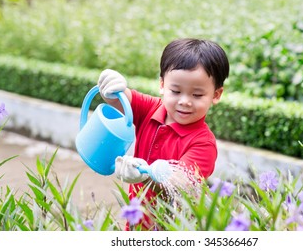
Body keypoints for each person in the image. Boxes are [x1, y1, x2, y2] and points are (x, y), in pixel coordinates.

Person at [97, 38, 230, 229]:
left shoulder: (203, 143)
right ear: (162, 85)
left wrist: (144, 175)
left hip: (172, 228)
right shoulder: (151, 108)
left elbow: (179, 185)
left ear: (216, 95)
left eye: (197, 95)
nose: (184, 101)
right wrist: (110, 89)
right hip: (136, 223)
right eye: (175, 91)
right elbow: (122, 100)